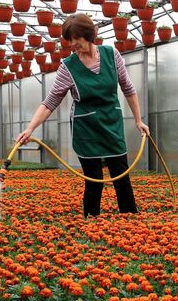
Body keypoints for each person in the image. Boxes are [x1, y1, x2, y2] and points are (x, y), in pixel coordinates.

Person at [16, 13, 150, 216]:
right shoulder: (68, 67)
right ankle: (91, 226)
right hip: (86, 129)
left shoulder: (111, 55)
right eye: (69, 41)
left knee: (121, 177)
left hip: (111, 123)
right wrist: (30, 128)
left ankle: (131, 222)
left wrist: (139, 121)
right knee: (93, 180)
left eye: (76, 41)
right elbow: (50, 102)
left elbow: (128, 89)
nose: (72, 45)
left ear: (89, 36)